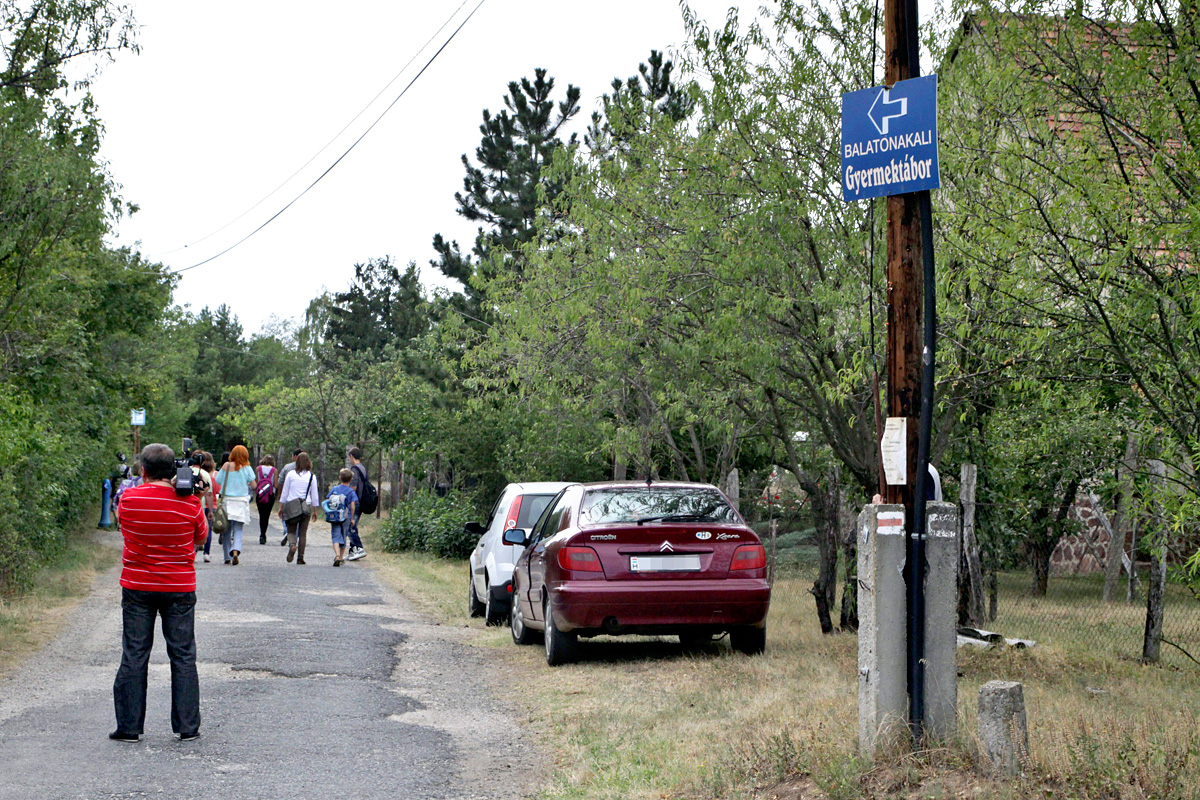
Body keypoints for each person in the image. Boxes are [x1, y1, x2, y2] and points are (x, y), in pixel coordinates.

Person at [111, 443, 207, 743]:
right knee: (182, 655)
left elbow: (123, 527)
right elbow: (201, 538)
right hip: (178, 587)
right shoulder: (190, 503)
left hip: (138, 585)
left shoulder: (128, 499)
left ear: (143, 470)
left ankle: (129, 726)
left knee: (135, 654)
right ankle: (187, 726)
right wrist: (197, 499)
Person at [213, 445, 257, 566]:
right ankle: (236, 550)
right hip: (241, 501)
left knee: (226, 529)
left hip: (227, 501)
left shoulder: (226, 466)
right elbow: (254, 485)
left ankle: (227, 556)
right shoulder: (247, 468)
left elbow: (218, 480)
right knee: (238, 529)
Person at [278, 452, 320, 565]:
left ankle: (292, 545)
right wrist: (315, 510)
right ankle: (300, 558)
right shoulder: (312, 476)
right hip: (305, 507)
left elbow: (285, 492)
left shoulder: (291, 474)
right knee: (302, 533)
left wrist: (281, 507)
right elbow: (314, 495)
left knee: (291, 530)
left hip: (291, 507)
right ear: (308, 462)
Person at [323, 469, 358, 567]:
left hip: (334, 516)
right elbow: (352, 506)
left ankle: (337, 555)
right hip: (346, 517)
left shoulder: (334, 489)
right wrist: (352, 519)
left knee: (335, 535)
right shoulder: (351, 491)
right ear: (351, 479)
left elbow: (328, 500)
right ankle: (341, 557)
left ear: (339, 478)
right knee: (343, 535)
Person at [188, 452, 215, 564]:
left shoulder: (183, 471)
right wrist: (209, 510)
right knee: (204, 528)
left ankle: (191, 552)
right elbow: (208, 493)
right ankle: (206, 553)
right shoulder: (204, 474)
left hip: (184, 505)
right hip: (200, 504)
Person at [277, 448, 305, 546]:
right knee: (298, 517)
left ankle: (287, 531)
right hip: (302, 498)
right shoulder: (307, 469)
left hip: (288, 496)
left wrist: (279, 493)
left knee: (286, 515)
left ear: (294, 456)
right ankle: (293, 537)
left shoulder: (287, 467)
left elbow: (280, 481)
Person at [346, 447, 369, 561]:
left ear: (351, 456)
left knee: (350, 526)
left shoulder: (354, 470)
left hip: (355, 502)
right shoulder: (363, 468)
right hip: (361, 500)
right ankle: (352, 551)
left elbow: (353, 487)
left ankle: (359, 547)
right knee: (353, 524)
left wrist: (348, 499)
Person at [198, 452, 219, 563]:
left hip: (197, 504)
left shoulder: (197, 473)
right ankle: (206, 553)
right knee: (208, 529)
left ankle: (195, 550)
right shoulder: (211, 476)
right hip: (210, 505)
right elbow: (211, 493)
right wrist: (211, 510)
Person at [254, 455, 278, 545]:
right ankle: (263, 533)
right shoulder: (274, 471)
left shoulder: (258, 469)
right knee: (266, 515)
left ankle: (261, 533)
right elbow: (275, 485)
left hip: (260, 495)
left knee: (261, 514)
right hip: (270, 495)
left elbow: (256, 482)